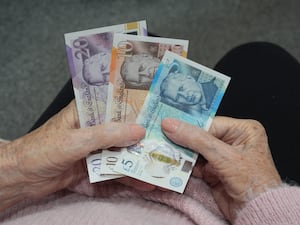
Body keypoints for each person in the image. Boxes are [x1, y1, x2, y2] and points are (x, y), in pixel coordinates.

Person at [1, 41, 300, 225]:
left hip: (48, 187)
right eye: (180, 93)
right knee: (260, 61)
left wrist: (13, 166)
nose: (185, 92)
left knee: (137, 44)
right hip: (223, 204)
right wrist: (264, 203)